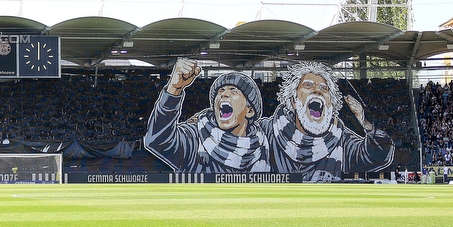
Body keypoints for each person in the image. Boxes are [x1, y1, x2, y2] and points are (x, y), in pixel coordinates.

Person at [262, 62, 394, 179]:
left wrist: (364, 122)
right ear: (293, 101)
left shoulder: (344, 141)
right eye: (308, 85)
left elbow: (380, 155)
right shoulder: (267, 132)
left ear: (331, 103)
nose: (317, 91)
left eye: (324, 88)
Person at [143, 58, 269, 173]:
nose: (224, 94)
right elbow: (157, 141)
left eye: (233, 90)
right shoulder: (195, 138)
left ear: (250, 111)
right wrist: (173, 89)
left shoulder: (264, 143)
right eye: (220, 90)